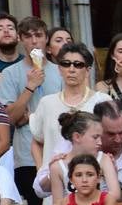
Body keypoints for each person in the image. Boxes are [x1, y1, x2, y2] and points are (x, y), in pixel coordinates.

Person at [0, 17, 60, 205]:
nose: (34, 41)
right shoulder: (10, 73)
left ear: (46, 39)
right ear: (21, 39)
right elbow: (10, 118)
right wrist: (30, 86)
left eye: (39, 36)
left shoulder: (60, 71)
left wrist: (30, 117)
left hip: (58, 153)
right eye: (28, 36)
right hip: (26, 157)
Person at [29, 42, 112, 180]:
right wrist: (42, 172)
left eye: (78, 64)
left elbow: (114, 138)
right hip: (54, 182)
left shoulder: (102, 101)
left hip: (93, 181)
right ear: (59, 68)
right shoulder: (46, 103)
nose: (71, 69)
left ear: (88, 70)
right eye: (66, 64)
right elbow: (36, 141)